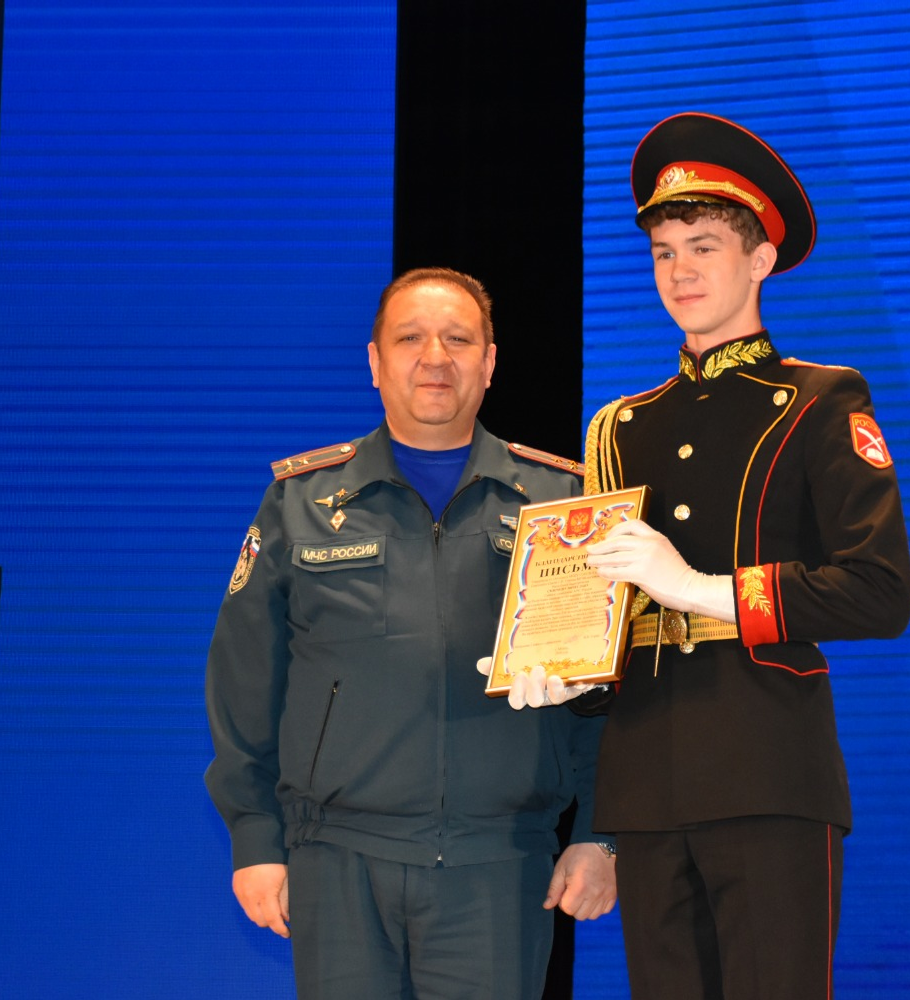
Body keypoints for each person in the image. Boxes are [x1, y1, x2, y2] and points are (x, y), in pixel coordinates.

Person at [508, 113, 910, 998]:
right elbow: (610, 614)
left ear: (761, 259)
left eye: (703, 247)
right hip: (647, 782)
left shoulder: (820, 400)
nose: (679, 271)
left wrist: (697, 587)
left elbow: (880, 591)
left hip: (768, 767)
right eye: (663, 252)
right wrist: (567, 671)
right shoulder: (620, 426)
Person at [204, 267, 616, 1000]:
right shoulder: (300, 503)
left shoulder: (564, 507)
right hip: (336, 862)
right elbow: (245, 685)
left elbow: (604, 698)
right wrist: (255, 839)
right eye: (410, 339)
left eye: (458, 340)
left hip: (500, 865)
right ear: (374, 361)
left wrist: (598, 834)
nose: (435, 358)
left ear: (489, 363)